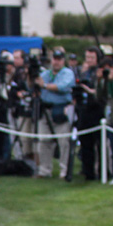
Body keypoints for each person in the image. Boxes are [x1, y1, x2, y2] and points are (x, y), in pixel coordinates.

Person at [34, 50, 74, 178]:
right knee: (44, 140)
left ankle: (64, 170)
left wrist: (44, 85)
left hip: (61, 109)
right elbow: (36, 86)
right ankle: (45, 170)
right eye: (54, 59)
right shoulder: (45, 73)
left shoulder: (67, 73)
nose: (56, 62)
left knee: (63, 142)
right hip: (45, 109)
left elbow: (62, 87)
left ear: (63, 60)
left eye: (59, 59)